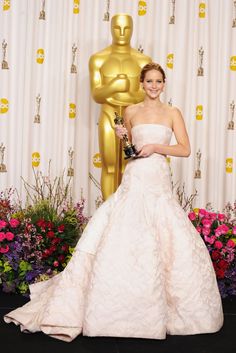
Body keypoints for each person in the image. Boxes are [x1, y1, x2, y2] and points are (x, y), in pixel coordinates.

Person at [4, 63, 223, 342]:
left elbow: (185, 149)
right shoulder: (130, 112)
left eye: (159, 81)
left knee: (165, 229)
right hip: (135, 175)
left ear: (164, 84)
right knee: (125, 228)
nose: (154, 86)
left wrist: (156, 147)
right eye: (149, 81)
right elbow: (130, 151)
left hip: (158, 177)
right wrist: (123, 139)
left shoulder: (172, 113)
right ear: (141, 84)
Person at [89, 14, 151, 200]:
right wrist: (114, 86)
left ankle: (125, 215)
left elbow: (146, 94)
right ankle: (107, 215)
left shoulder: (142, 60)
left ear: (132, 29)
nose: (122, 33)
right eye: (117, 28)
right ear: (111, 28)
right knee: (109, 166)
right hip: (108, 116)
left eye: (126, 28)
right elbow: (96, 95)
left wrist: (124, 94)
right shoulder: (98, 59)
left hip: (133, 120)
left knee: (129, 166)